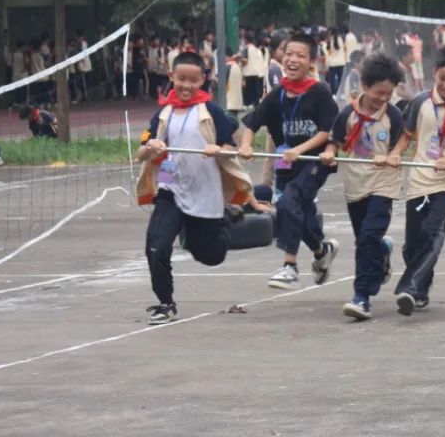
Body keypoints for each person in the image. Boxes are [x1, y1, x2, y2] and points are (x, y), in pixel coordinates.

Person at [134, 51, 272, 325]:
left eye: (192, 80)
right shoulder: (162, 115)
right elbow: (140, 154)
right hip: (170, 186)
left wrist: (218, 149)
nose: (186, 86)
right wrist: (150, 148)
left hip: (204, 192)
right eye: (181, 79)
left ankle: (226, 220)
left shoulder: (212, 113)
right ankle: (165, 302)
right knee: (156, 246)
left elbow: (231, 149)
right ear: (171, 77)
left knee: (210, 255)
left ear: (202, 81)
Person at [240, 32, 341, 291]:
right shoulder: (278, 94)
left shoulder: (320, 92)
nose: (292, 60)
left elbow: (326, 131)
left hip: (314, 162)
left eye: (300, 55)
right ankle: (321, 250)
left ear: (312, 62)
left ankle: (289, 266)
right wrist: (246, 145)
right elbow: (253, 122)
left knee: (288, 202)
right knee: (298, 211)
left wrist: (300, 149)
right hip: (287, 165)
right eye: (289, 54)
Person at [382, 45, 445, 317]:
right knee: (414, 241)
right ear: (434, 74)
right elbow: (407, 135)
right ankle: (421, 288)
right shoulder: (420, 102)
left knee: (433, 231)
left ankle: (409, 287)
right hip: (420, 180)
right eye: (443, 79)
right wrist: (396, 153)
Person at [321, 53, 405, 320]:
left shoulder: (393, 114)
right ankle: (382, 252)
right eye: (379, 92)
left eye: (388, 94)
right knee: (366, 239)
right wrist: (330, 151)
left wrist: (394, 155)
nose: (383, 98)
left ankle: (362, 297)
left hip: (384, 183)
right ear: (365, 86)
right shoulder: (348, 113)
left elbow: (403, 142)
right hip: (356, 183)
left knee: (368, 236)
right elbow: (334, 140)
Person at [241, 31, 267, 107]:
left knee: (248, 91)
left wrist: (240, 61)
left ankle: (247, 104)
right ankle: (254, 104)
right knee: (255, 92)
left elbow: (245, 60)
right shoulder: (257, 49)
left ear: (245, 39)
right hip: (258, 72)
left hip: (249, 72)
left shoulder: (246, 48)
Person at [326, 28, 346, 94]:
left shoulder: (330, 40)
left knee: (332, 79)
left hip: (332, 63)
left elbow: (329, 52)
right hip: (341, 62)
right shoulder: (340, 39)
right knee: (340, 78)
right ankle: (340, 92)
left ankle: (334, 92)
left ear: (330, 32)